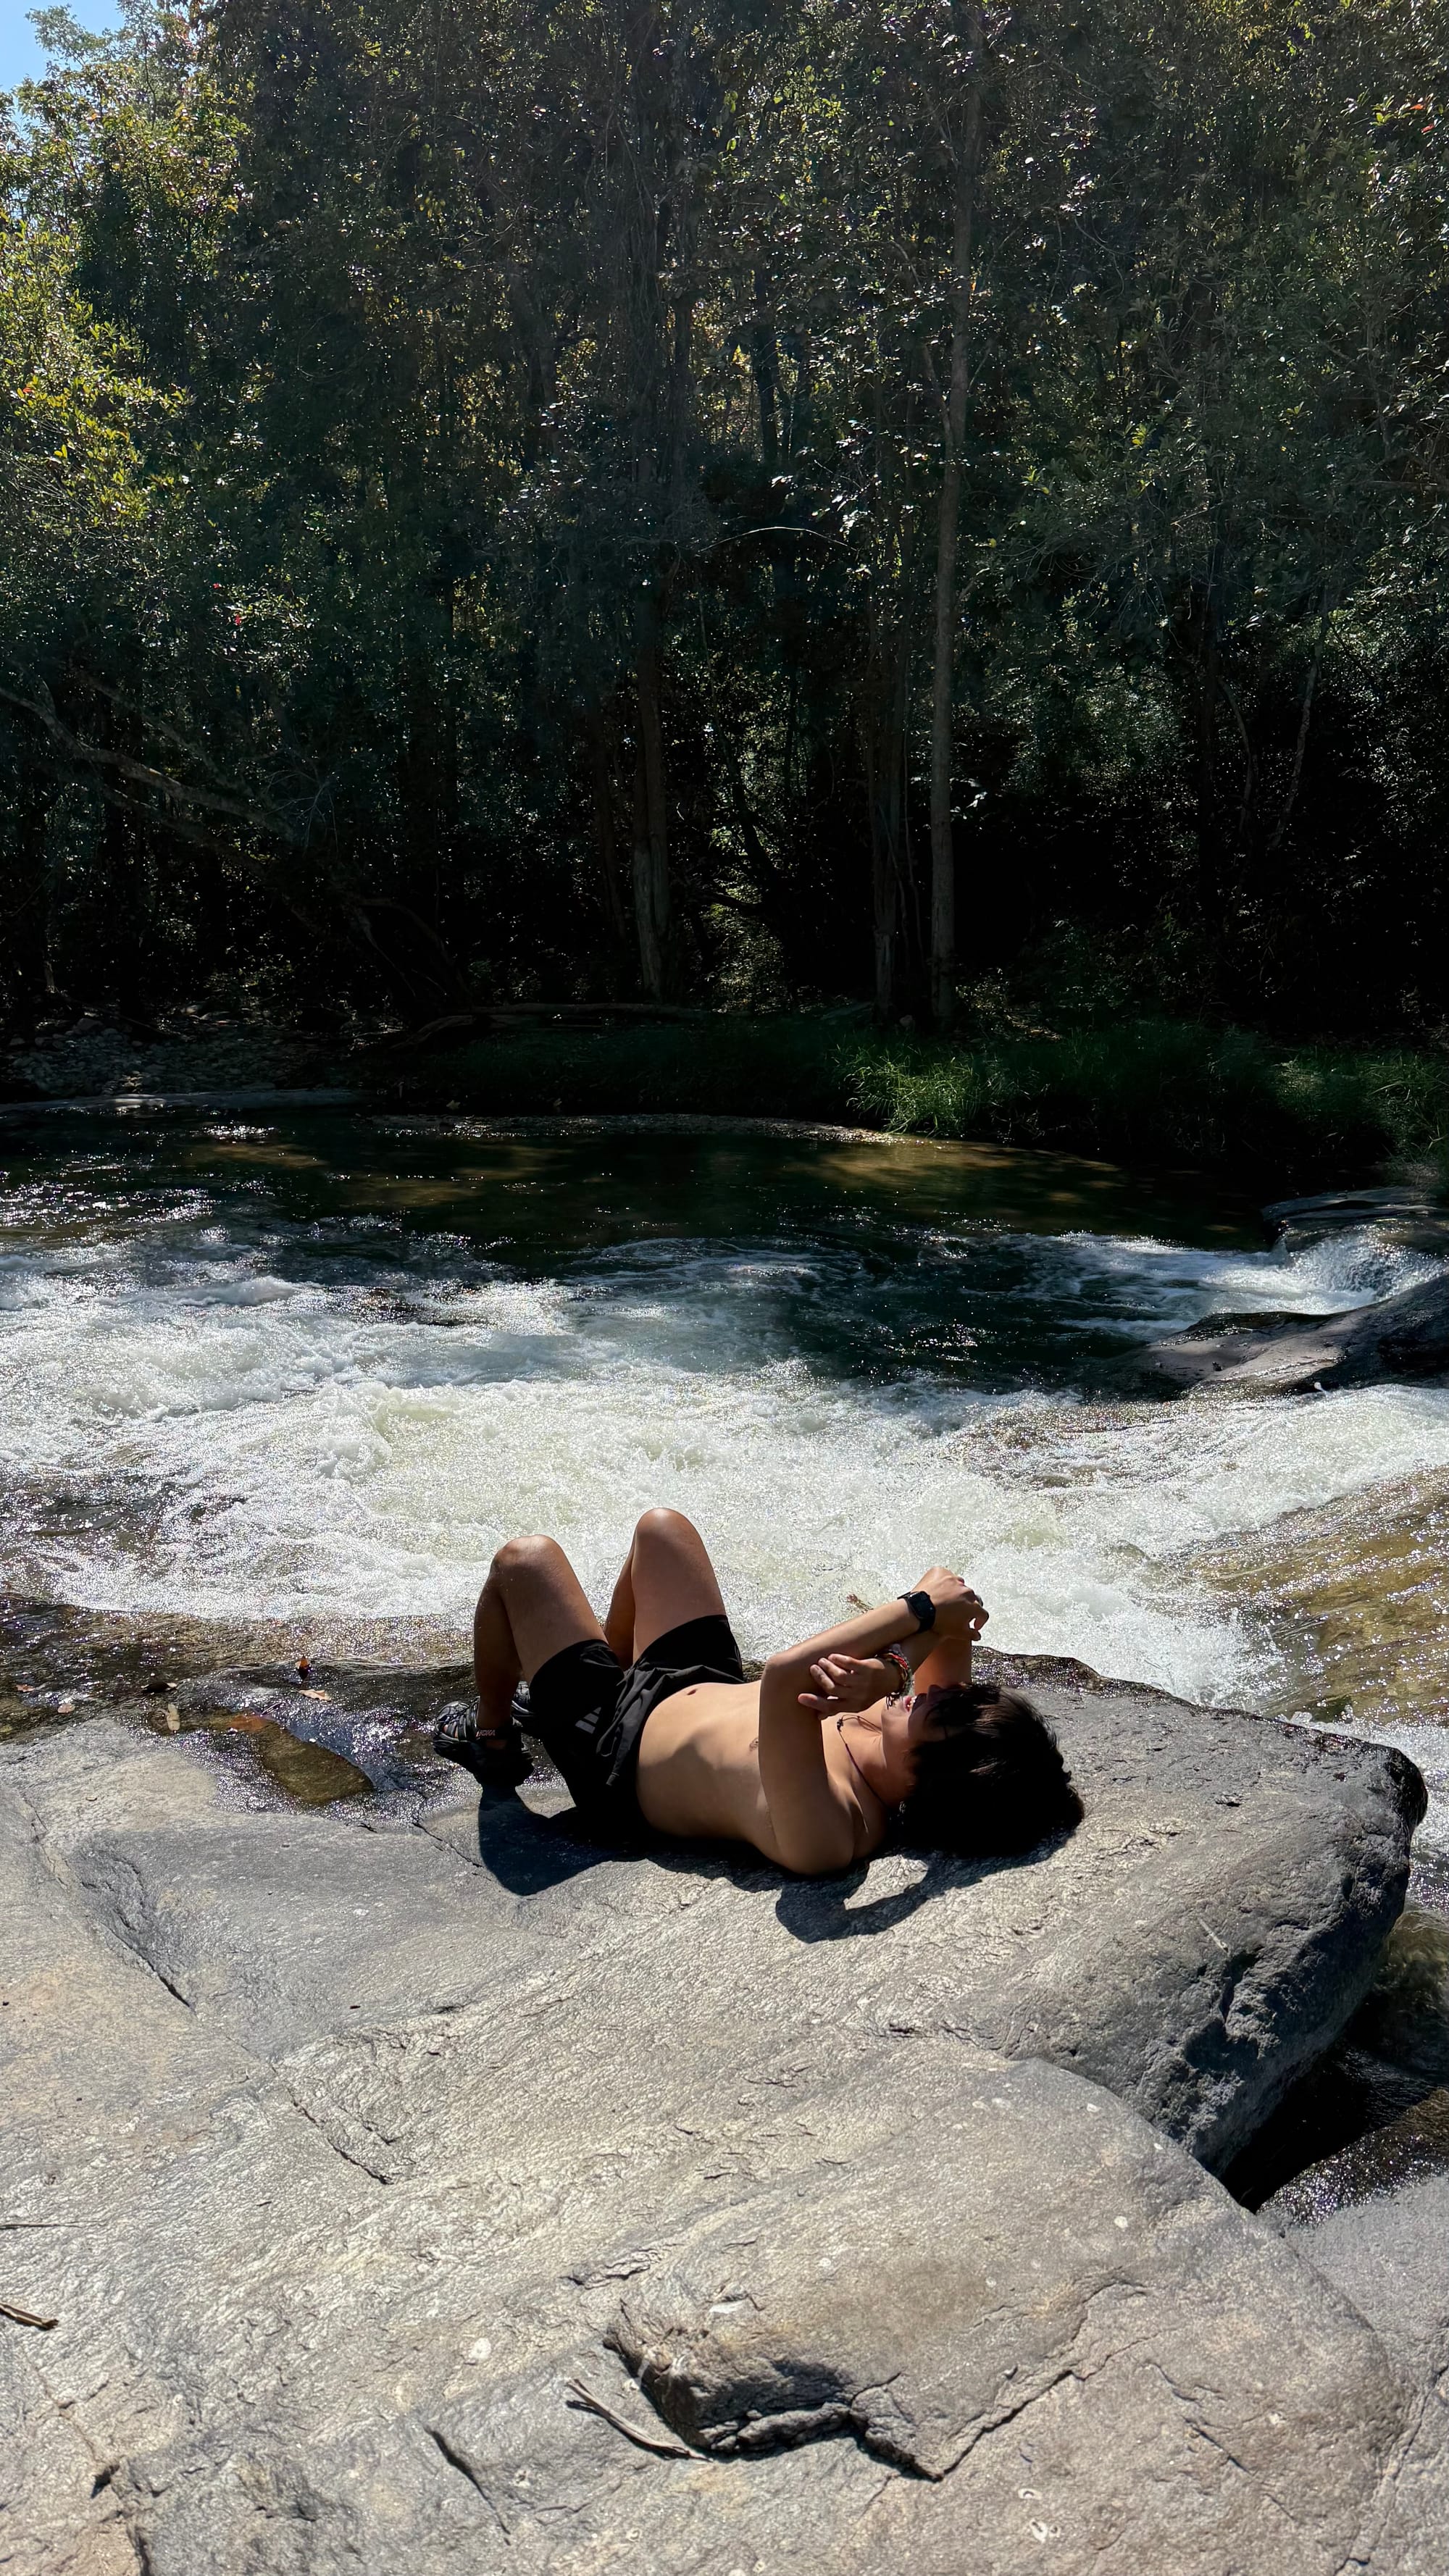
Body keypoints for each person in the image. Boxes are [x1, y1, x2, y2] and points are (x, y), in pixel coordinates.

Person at [436, 1507, 1083, 1878]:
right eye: (957, 1698)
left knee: (523, 1559)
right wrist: (894, 1667)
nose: (941, 1697)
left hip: (613, 1749)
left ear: (933, 1781)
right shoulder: (908, 1725)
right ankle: (606, 1663)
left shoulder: (835, 1829)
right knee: (662, 1528)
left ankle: (493, 1738)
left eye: (947, 1713)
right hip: (696, 1681)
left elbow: (785, 1677)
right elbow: (957, 1614)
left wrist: (913, 1613)